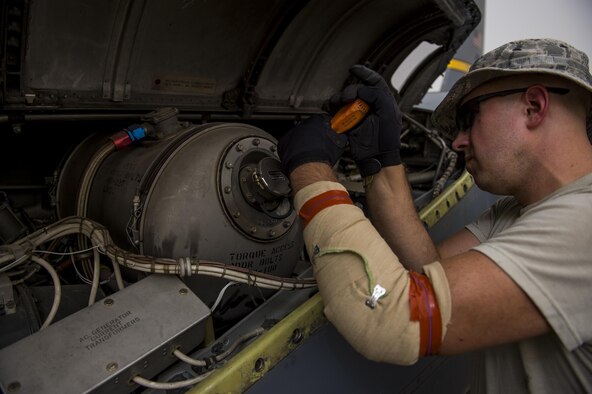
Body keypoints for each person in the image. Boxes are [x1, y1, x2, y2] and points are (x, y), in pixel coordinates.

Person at [278, 38, 592, 393]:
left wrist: (309, 172)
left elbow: (393, 316)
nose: (458, 142)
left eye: (469, 118)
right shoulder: (524, 209)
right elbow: (429, 271)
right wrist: (381, 163)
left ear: (534, 107)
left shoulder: (582, 224)